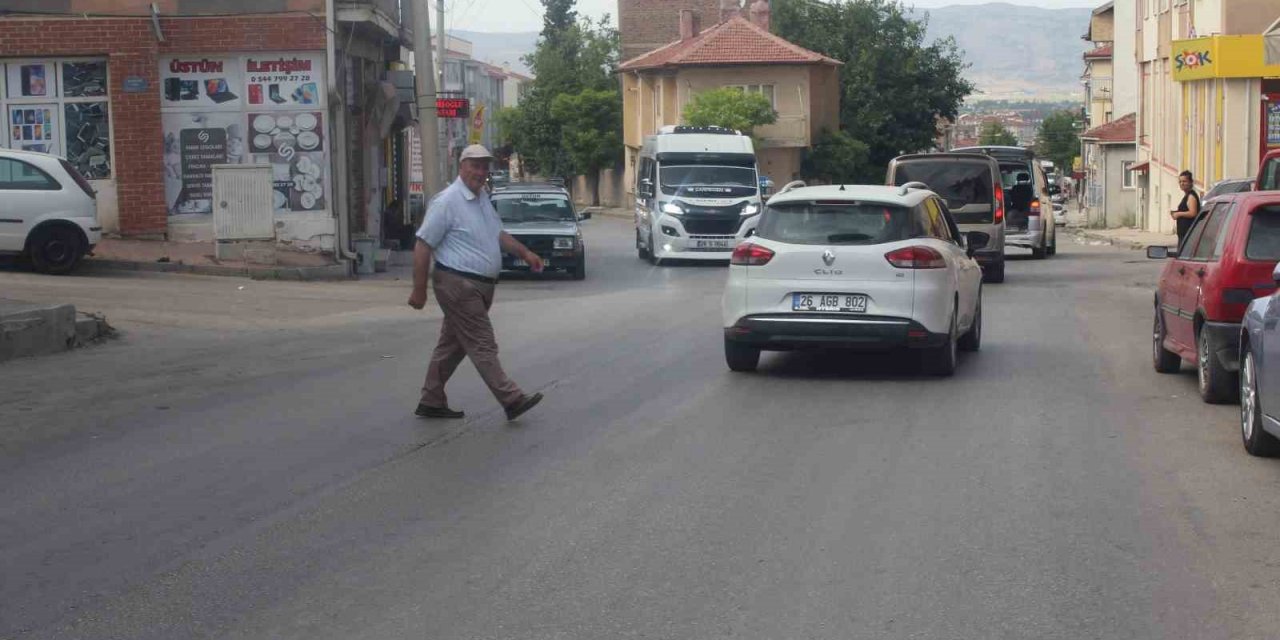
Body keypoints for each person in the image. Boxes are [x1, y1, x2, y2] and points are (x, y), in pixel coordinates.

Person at [407, 144, 545, 421]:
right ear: (462, 166)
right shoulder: (446, 201)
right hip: (457, 283)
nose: (480, 172)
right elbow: (423, 245)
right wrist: (419, 290)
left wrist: (525, 253)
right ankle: (511, 399)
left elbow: (498, 234)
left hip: (480, 286)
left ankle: (431, 399)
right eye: (475, 165)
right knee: (483, 344)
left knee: (453, 345)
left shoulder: (482, 197)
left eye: (485, 167)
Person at [1171, 170, 1201, 248]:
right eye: (1180, 182)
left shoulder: (1191, 196)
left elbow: (1193, 213)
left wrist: (1178, 214)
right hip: (1183, 235)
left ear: (1190, 182)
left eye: (1184, 181)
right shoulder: (1186, 195)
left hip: (1188, 235)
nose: (1182, 183)